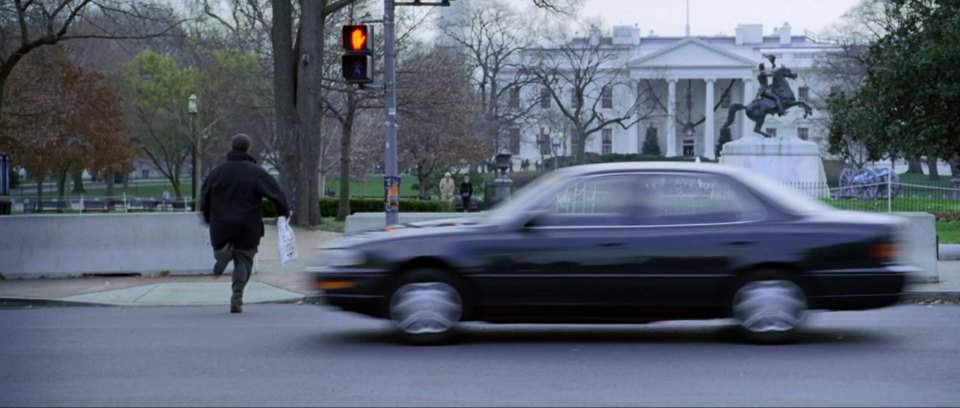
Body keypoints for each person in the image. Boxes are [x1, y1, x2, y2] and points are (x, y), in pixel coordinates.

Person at [201, 134, 290, 314]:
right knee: (244, 261)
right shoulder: (255, 172)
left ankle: (223, 254)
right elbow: (276, 193)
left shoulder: (217, 172)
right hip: (247, 225)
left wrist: (207, 217)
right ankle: (237, 297)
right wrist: (283, 212)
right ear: (248, 148)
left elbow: (204, 196)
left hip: (221, 225)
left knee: (222, 248)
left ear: (232, 147)